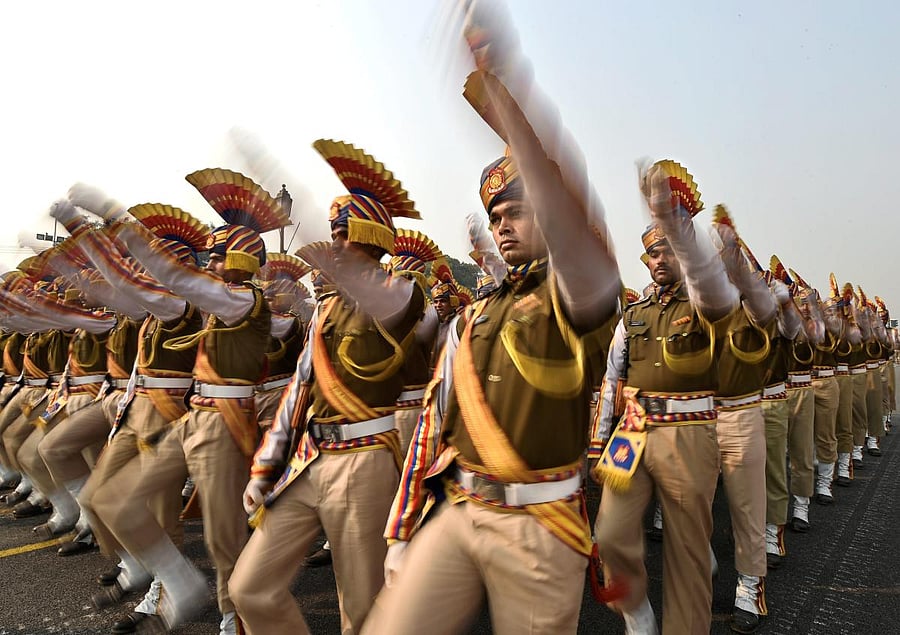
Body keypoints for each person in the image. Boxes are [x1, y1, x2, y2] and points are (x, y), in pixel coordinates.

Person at [368, 5, 621, 628]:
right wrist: (401, 530)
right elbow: (435, 419)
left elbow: (574, 216)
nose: (505, 223)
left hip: (540, 524)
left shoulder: (574, 296)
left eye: (519, 211)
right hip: (457, 509)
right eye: (497, 216)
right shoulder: (475, 316)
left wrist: (514, 105)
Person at [229, 139, 426, 635]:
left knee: (362, 613)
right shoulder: (324, 310)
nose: (333, 245)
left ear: (370, 238)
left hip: (366, 460)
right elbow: (298, 392)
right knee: (248, 586)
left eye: (343, 234)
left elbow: (387, 299)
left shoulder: (400, 295)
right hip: (310, 458)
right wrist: (265, 467)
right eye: (332, 234)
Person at [86, 171, 286, 634]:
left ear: (238, 259)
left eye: (216, 256)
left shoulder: (245, 300)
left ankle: (233, 619)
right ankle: (177, 581)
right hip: (194, 416)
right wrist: (97, 238)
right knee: (118, 500)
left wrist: (115, 218)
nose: (207, 264)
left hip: (223, 422)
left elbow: (174, 276)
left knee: (223, 539)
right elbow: (136, 285)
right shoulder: (218, 306)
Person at [591, 160, 738, 635]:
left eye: (666, 251)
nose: (658, 260)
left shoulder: (705, 302)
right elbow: (612, 379)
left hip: (687, 430)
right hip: (632, 427)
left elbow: (712, 288)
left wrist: (680, 229)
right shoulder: (632, 315)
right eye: (651, 254)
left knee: (686, 555)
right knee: (609, 534)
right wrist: (598, 442)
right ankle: (637, 616)